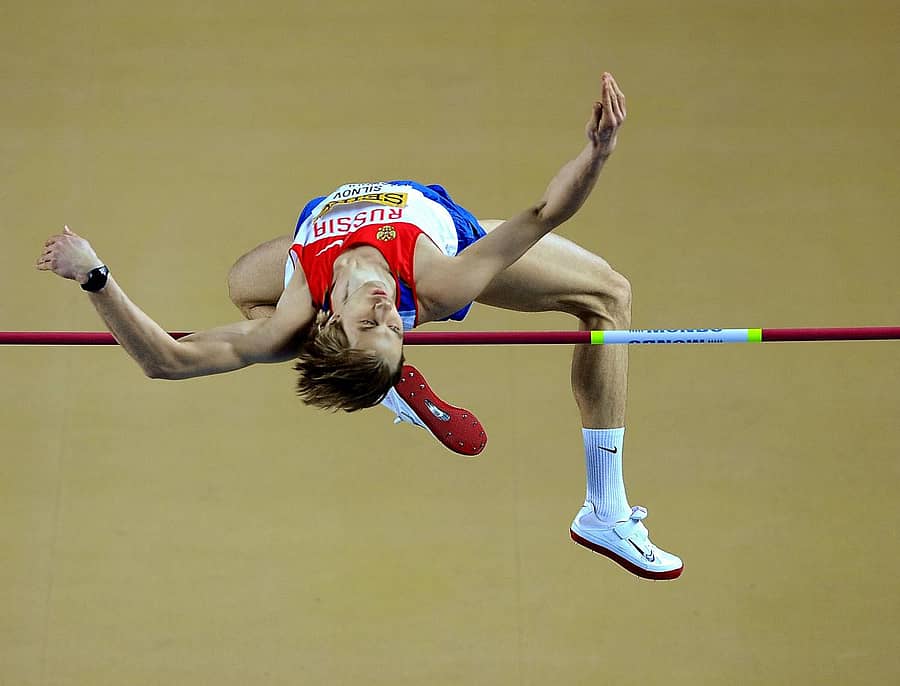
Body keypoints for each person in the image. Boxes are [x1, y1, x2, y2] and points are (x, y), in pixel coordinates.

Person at [36, 72, 683, 580]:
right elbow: (541, 215)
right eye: (394, 328)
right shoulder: (437, 284)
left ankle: (386, 386)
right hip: (447, 234)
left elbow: (165, 360)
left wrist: (94, 275)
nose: (385, 307)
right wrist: (596, 155)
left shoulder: (298, 310)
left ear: (330, 322)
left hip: (324, 266)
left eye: (371, 321)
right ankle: (606, 508)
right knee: (610, 295)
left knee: (244, 290)